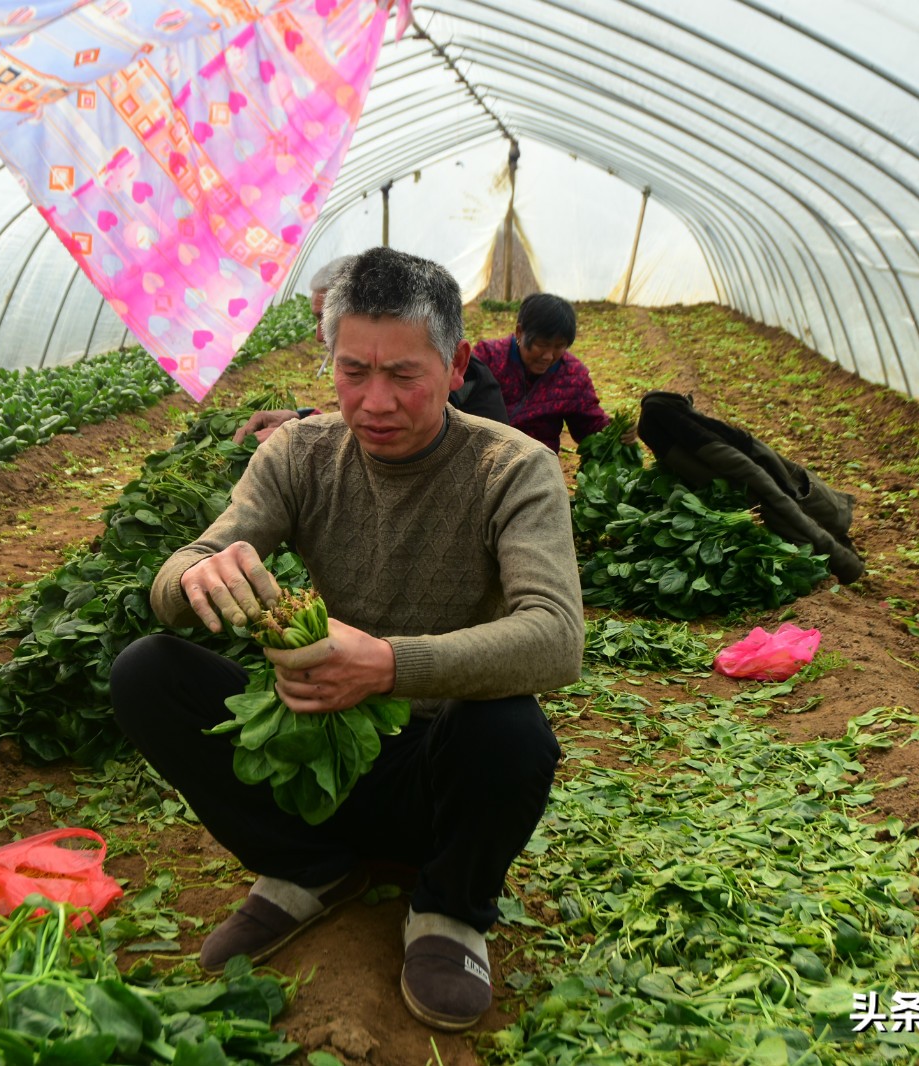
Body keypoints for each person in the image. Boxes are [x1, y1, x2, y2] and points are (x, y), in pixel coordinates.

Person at [111, 246, 583, 1031]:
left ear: (458, 362)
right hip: (320, 754)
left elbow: (555, 637)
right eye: (352, 371)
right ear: (327, 358)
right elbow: (179, 573)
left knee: (511, 727)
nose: (375, 401)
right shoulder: (299, 453)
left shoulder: (513, 468)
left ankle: (450, 909)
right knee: (145, 672)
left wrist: (392, 665)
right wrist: (196, 576)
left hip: (439, 769)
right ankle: (304, 865)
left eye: (404, 375)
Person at [235, 256, 508, 445]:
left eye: (402, 375)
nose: (320, 335)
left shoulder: (459, 385)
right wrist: (302, 419)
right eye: (355, 372)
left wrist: (303, 432)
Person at [473, 292, 635, 453]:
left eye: (559, 347)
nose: (549, 356)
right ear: (520, 333)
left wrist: (618, 431)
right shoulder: (489, 358)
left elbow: (588, 426)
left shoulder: (572, 375)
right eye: (542, 344)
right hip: (483, 453)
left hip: (535, 463)